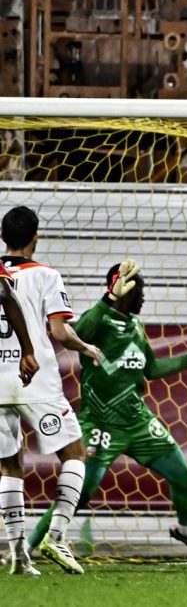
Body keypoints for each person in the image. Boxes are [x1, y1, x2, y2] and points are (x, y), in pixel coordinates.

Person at [27, 260, 187, 564]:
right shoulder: (99, 323)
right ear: (122, 291)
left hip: (138, 422)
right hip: (101, 424)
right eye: (140, 290)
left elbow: (150, 368)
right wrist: (107, 300)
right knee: (78, 493)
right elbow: (75, 331)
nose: (144, 297)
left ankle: (186, 531)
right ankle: (27, 548)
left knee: (185, 478)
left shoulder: (136, 327)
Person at [0, 206, 82, 576]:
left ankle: (19, 555)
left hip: (0, 380)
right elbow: (60, 332)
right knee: (75, 453)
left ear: (3, 237)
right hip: (37, 380)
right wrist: (89, 349)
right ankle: (58, 534)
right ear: (36, 236)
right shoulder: (47, 275)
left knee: (9, 466)